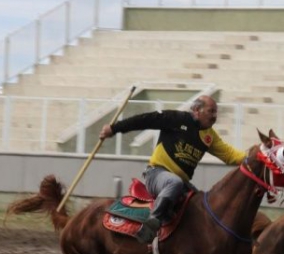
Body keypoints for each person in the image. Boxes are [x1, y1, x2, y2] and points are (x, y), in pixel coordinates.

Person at [99, 95, 246, 244]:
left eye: (216, 112)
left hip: (182, 184)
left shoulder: (210, 136)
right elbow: (144, 120)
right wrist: (114, 128)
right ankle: (151, 223)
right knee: (174, 183)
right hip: (156, 175)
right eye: (211, 111)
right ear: (196, 110)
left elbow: (230, 155)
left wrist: (255, 157)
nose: (215, 116)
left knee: (201, 205)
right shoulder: (176, 119)